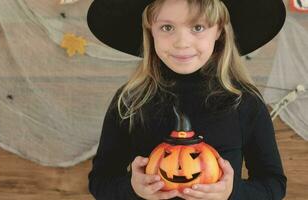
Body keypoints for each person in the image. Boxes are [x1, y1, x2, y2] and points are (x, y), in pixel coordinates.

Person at [86, 0, 287, 199]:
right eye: (167, 27)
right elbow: (100, 181)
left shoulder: (244, 101)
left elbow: (274, 184)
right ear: (150, 30)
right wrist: (132, 189)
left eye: (198, 27)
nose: (181, 43)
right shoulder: (130, 100)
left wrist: (233, 193)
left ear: (219, 30)